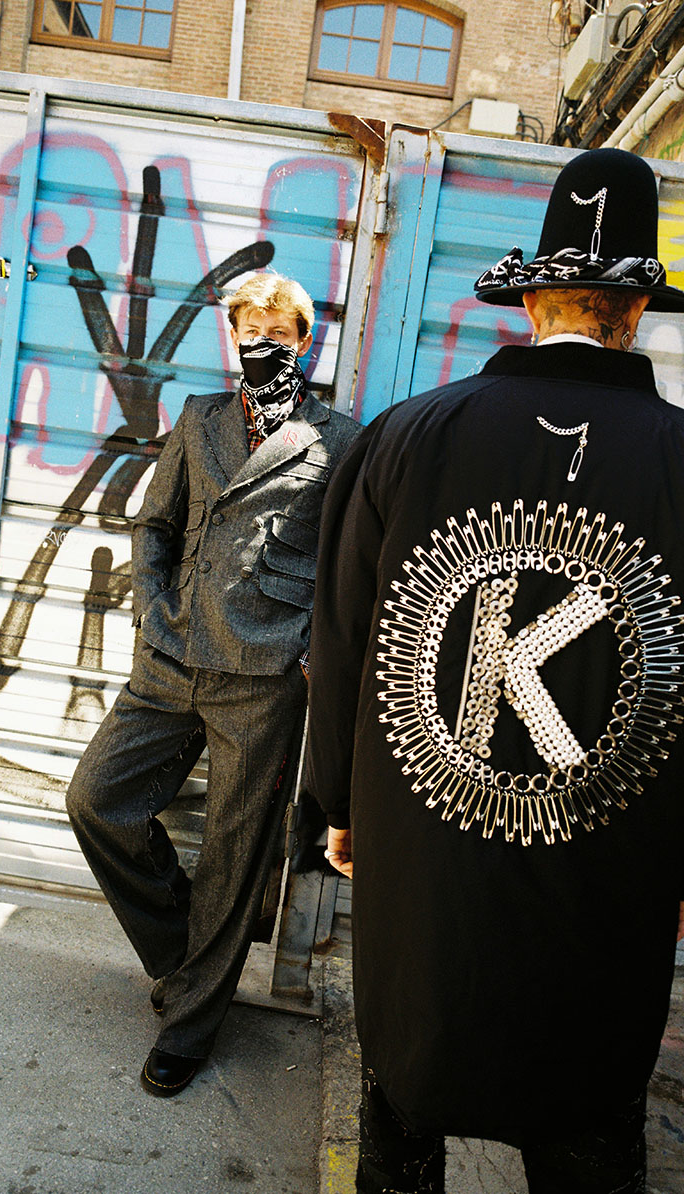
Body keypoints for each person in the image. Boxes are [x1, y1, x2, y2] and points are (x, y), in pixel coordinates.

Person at [304, 148, 684, 1193]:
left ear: (529, 299)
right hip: (611, 877)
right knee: (588, 1134)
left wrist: (338, 805)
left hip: (419, 861)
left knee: (401, 1110)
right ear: (636, 307)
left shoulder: (403, 435)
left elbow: (339, 644)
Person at [66, 272, 359, 1097]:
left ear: (305, 341)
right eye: (248, 334)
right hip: (172, 657)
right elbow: (154, 524)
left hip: (263, 677)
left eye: (277, 335)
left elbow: (349, 562)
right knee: (97, 800)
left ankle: (189, 1027)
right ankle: (181, 960)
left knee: (233, 856)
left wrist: (308, 650)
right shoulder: (200, 419)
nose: (261, 347)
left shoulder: (338, 438)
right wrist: (152, 612)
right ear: (233, 338)